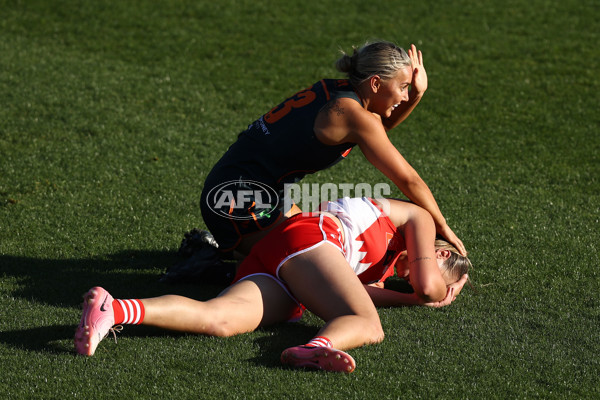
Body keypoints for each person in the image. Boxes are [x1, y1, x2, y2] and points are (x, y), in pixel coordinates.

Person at [76, 198, 471, 373]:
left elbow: (339, 289)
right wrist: (435, 296)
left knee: (221, 319)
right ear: (439, 256)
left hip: (291, 261)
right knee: (368, 326)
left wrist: (405, 298)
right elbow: (428, 288)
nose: (408, 282)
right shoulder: (419, 219)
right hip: (312, 240)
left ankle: (115, 308)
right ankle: (317, 347)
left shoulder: (383, 270)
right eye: (444, 272)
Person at [198, 41, 467, 260]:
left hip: (243, 186)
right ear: (375, 84)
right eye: (404, 87)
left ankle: (230, 250)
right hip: (237, 199)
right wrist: (443, 227)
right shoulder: (355, 116)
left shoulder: (339, 92)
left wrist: (417, 95)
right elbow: (409, 180)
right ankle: (211, 265)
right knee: (310, 265)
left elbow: (378, 128)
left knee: (320, 246)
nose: (405, 97)